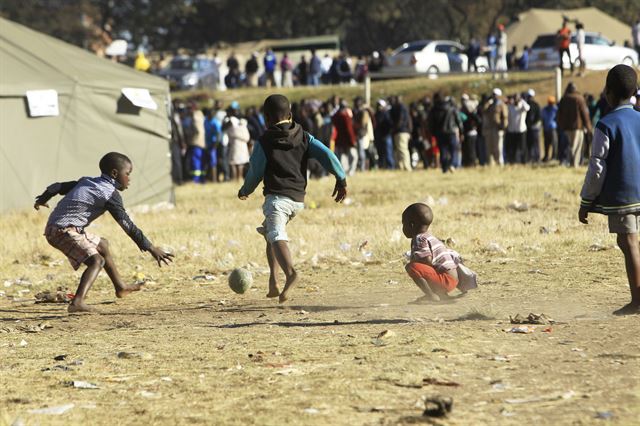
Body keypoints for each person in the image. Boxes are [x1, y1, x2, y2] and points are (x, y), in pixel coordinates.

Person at [238, 94, 347, 303]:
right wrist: (341, 178)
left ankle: (291, 273)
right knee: (271, 234)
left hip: (277, 199)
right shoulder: (304, 136)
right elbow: (327, 155)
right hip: (297, 200)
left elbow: (255, 171)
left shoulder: (264, 142)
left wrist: (246, 189)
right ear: (290, 115)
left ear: (266, 118)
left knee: (276, 234)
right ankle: (274, 281)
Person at [33, 152, 174, 313]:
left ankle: (120, 287)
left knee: (103, 245)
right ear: (115, 173)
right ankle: (77, 303)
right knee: (96, 261)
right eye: (127, 174)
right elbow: (128, 225)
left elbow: (56, 187)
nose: (129, 178)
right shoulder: (109, 194)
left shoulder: (87, 181)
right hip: (63, 231)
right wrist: (151, 248)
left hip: (60, 228)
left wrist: (42, 199)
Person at [579, 65, 640, 316]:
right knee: (628, 241)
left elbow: (596, 168)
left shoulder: (605, 124)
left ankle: (637, 301)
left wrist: (586, 200)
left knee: (629, 242)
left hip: (623, 194)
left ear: (609, 93)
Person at [402, 203, 477, 304]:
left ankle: (431, 296)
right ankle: (442, 296)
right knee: (422, 268)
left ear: (411, 225)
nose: (403, 228)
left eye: (403, 224)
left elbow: (427, 260)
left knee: (412, 267)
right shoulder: (430, 237)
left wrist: (414, 261)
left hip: (445, 280)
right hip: (453, 279)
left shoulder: (419, 239)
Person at [557, 82, 592, 167]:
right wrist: (589, 127)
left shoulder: (563, 99)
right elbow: (584, 114)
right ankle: (574, 164)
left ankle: (568, 162)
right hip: (577, 127)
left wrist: (561, 125)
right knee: (576, 146)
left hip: (566, 127)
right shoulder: (579, 98)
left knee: (569, 145)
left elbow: (559, 114)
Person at [482, 88, 508, 166]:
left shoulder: (502, 105)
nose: (494, 96)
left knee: (498, 147)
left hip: (498, 129)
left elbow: (505, 117)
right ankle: (491, 163)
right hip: (490, 128)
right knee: (489, 147)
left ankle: (499, 162)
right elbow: (484, 111)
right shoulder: (490, 105)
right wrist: (487, 103)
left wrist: (503, 127)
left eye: (495, 95)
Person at [332, 99, 357, 176]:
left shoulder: (335, 116)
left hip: (339, 140)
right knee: (353, 156)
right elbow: (349, 130)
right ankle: (351, 171)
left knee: (341, 157)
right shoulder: (345, 117)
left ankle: (342, 172)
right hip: (347, 140)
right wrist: (353, 140)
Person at [505, 93, 530, 164]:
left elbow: (528, 108)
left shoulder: (522, 107)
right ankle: (513, 161)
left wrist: (521, 100)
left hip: (521, 130)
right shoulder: (510, 106)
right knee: (513, 147)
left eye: (517, 98)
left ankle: (524, 161)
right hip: (512, 130)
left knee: (522, 147)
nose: (515, 100)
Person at [390, 95, 413, 171]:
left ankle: (406, 166)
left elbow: (401, 119)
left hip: (402, 131)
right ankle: (400, 166)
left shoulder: (401, 108)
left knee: (402, 149)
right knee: (399, 150)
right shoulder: (401, 108)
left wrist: (395, 128)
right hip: (402, 131)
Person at [525, 89, 541, 163]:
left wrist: (530, 124)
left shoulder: (529, 105)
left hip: (531, 128)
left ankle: (533, 158)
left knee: (532, 144)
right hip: (533, 128)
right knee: (534, 144)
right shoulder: (535, 105)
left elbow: (538, 117)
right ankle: (534, 158)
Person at [541, 96, 558, 162]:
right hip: (549, 128)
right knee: (548, 144)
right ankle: (547, 156)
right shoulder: (554, 109)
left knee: (553, 144)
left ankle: (553, 156)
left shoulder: (555, 109)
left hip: (550, 128)